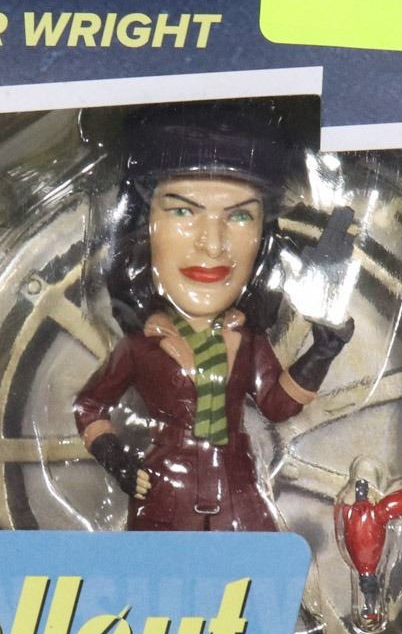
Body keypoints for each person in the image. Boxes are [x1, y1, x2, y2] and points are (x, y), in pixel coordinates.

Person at [73, 101, 353, 531]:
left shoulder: (246, 339)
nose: (212, 243)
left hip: (238, 489)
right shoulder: (140, 346)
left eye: (240, 215)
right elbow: (90, 405)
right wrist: (114, 456)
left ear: (262, 237)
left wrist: (321, 354)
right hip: (166, 491)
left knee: (258, 566)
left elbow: (276, 404)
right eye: (182, 210)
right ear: (143, 226)